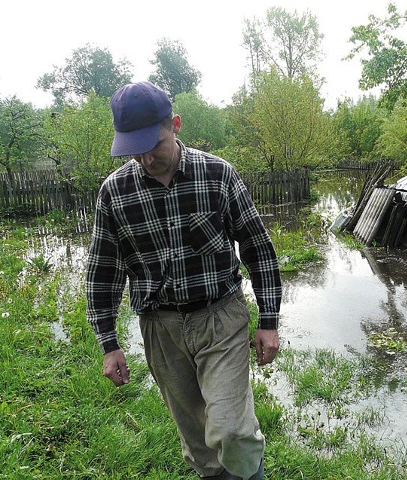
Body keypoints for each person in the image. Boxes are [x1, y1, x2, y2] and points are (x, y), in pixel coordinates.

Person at [85, 81, 281, 480]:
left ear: (174, 125)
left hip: (219, 318)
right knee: (199, 444)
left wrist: (270, 321)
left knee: (230, 430)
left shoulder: (217, 175)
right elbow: (103, 273)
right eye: (132, 149)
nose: (145, 158)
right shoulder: (114, 193)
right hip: (161, 330)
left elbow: (258, 247)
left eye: (153, 145)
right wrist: (109, 344)